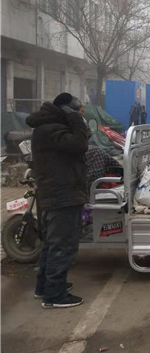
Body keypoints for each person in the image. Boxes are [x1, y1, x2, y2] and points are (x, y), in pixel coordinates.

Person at [26, 93, 90, 309]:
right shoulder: (51, 129)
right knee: (63, 245)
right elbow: (80, 144)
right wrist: (75, 121)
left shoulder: (48, 127)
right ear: (68, 111)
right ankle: (54, 295)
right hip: (62, 193)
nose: (81, 114)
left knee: (53, 244)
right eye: (78, 111)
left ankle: (45, 287)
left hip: (57, 192)